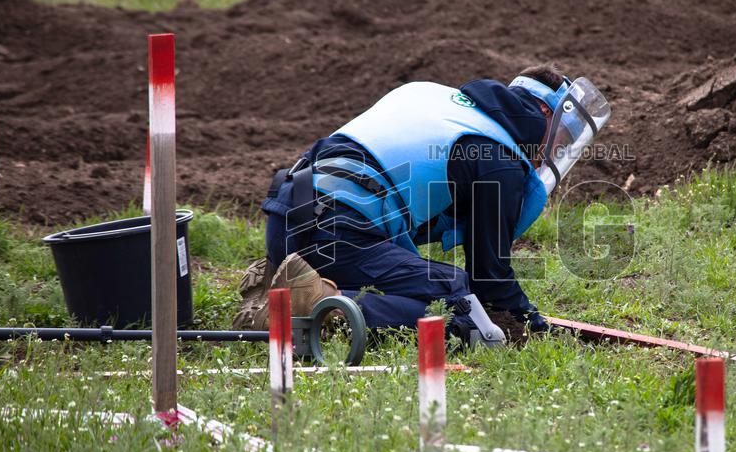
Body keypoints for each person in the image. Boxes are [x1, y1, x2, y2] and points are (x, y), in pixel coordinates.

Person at [234, 64, 610, 346]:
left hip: (286, 217)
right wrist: (532, 326)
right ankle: (319, 303)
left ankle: (283, 280)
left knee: (419, 280)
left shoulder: (438, 102)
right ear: (545, 114)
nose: (557, 148)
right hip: (335, 231)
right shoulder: (499, 157)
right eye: (561, 136)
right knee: (457, 296)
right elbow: (489, 277)